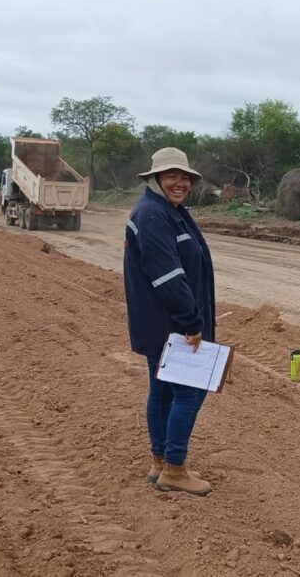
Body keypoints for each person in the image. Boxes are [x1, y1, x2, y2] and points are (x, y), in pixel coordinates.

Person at [124, 147, 215, 496]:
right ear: (156, 179)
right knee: (189, 393)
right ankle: (175, 468)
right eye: (172, 176)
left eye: (185, 177)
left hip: (161, 323)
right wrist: (191, 322)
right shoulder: (153, 215)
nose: (181, 183)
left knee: (162, 391)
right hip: (170, 325)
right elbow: (168, 278)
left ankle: (160, 462)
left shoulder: (169, 211)